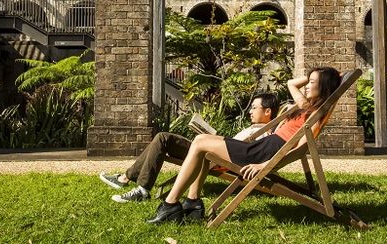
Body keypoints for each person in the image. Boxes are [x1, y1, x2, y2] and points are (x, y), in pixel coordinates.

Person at [145, 66, 342, 224]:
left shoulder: (316, 115)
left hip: (264, 153)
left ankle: (171, 205)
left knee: (199, 142)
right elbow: (292, 83)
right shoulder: (306, 107)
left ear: (324, 87)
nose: (306, 85)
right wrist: (314, 76)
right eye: (308, 81)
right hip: (263, 146)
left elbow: (301, 149)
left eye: (312, 82)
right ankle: (192, 202)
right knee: (202, 145)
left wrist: (265, 166)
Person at [99, 92, 279, 203]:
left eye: (254, 108)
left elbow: (247, 153)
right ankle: (126, 178)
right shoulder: (256, 128)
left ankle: (140, 188)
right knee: (162, 139)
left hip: (214, 157)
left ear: (268, 111)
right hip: (214, 149)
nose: (250, 111)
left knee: (163, 138)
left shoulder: (265, 133)